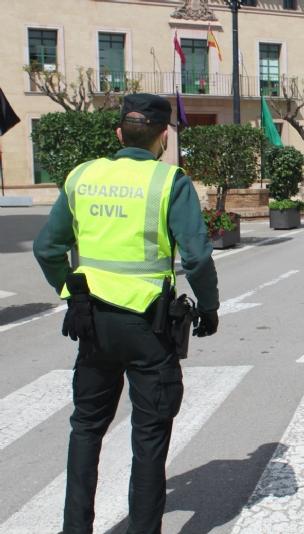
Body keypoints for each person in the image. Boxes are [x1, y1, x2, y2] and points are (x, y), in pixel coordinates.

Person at [32, 94, 220, 534]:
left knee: (85, 429)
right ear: (164, 136)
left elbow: (47, 249)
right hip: (147, 328)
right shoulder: (169, 180)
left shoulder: (83, 176)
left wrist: (70, 293)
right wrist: (208, 308)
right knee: (149, 436)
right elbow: (195, 258)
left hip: (92, 323)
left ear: (118, 132)